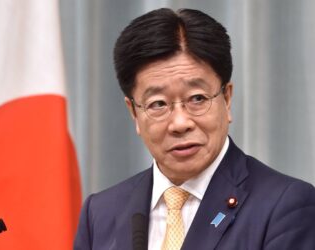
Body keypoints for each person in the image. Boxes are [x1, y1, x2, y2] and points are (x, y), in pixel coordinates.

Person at [74, 8, 315, 250]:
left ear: (227, 98)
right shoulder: (100, 213)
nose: (180, 123)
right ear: (134, 113)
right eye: (158, 104)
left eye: (197, 99)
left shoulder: (285, 206)